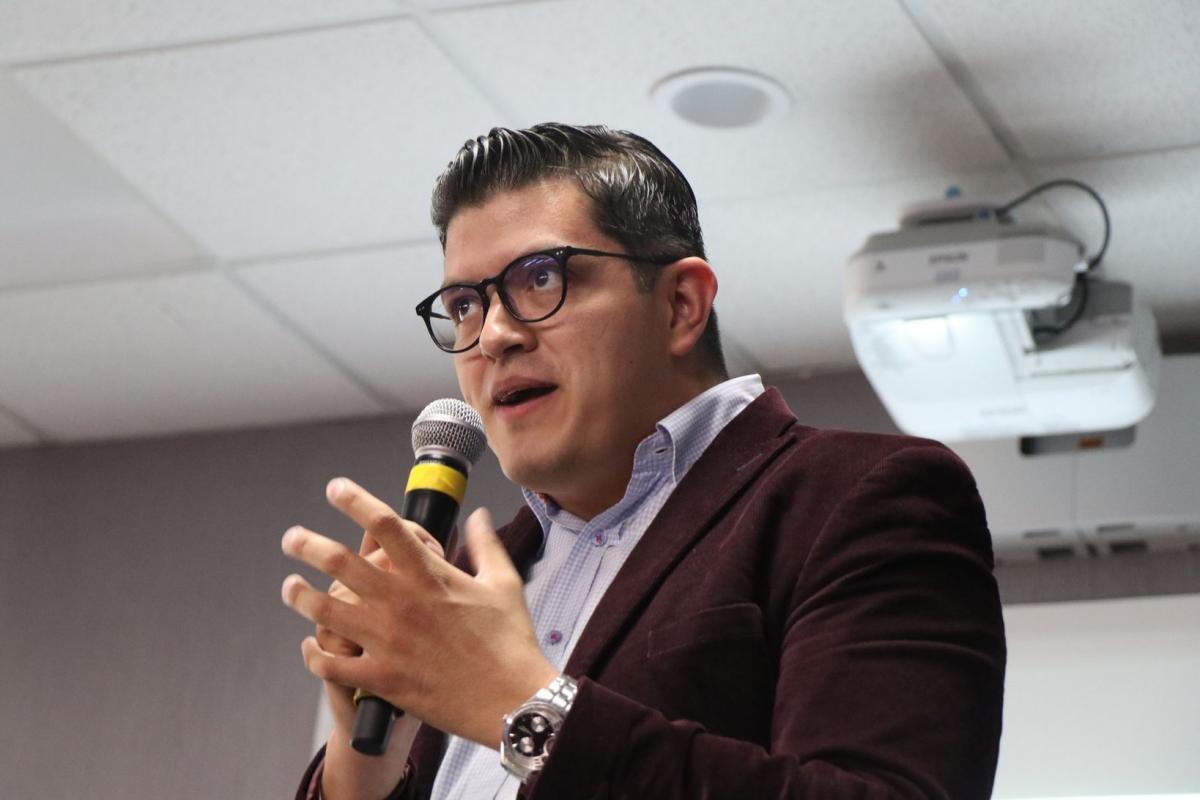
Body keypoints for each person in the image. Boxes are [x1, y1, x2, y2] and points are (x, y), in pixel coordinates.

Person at [282, 123, 1006, 799]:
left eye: (541, 279)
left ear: (681, 304)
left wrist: (520, 706)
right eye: (466, 304)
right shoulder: (465, 587)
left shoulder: (859, 497)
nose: (494, 335)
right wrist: (362, 763)